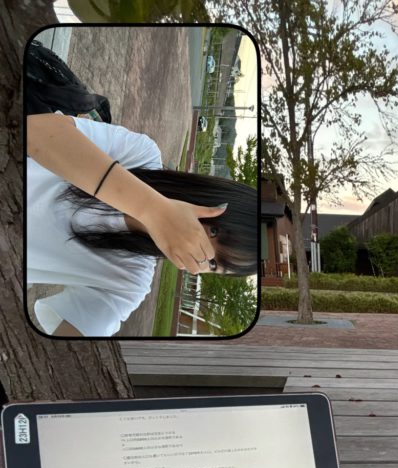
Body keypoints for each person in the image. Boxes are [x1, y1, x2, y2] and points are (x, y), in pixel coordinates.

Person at [25, 41, 259, 338]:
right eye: (212, 232)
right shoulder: (140, 155)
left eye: (212, 263)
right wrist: (154, 210)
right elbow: (35, 133)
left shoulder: (129, 284)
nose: (196, 249)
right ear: (209, 196)